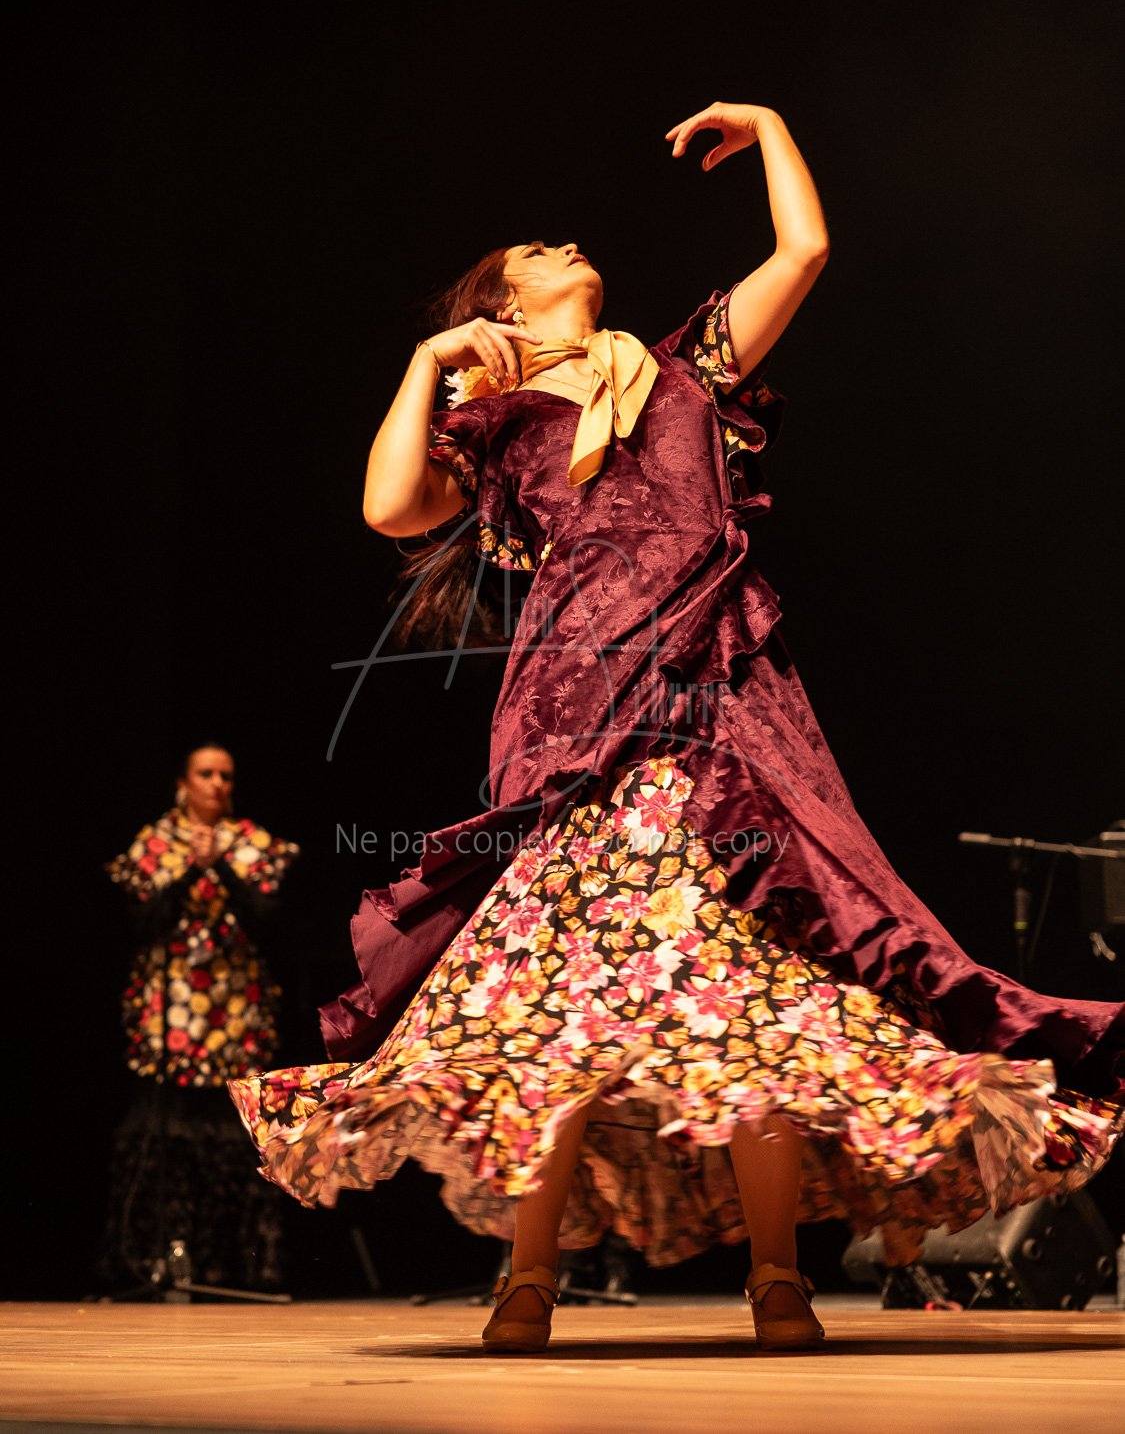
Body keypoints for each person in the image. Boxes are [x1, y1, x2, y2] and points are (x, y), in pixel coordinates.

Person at [227, 103, 1123, 1350]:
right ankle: (528, 1278)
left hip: (720, 702)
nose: (566, 244)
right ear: (503, 301)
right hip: (577, 713)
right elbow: (389, 507)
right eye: (535, 250)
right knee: (553, 993)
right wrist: (433, 362)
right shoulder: (494, 419)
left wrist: (771, 126)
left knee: (746, 985)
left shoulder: (686, 367)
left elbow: (803, 251)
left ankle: (778, 1278)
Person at [102, 743, 299, 1293]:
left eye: (225, 776)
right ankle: (155, 1259)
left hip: (233, 1010)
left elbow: (267, 922)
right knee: (163, 1136)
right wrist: (194, 868)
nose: (217, 784)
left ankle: (235, 1267)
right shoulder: (156, 841)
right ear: (183, 783)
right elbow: (141, 921)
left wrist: (221, 869)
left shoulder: (253, 843)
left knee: (234, 1138)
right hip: (170, 1010)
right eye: (206, 774)